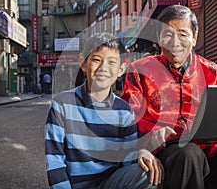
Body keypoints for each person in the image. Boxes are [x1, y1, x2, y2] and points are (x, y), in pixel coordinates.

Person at [120, 5, 217, 189]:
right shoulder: (140, 71)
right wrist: (149, 140)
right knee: (189, 152)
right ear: (158, 39)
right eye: (167, 34)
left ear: (194, 38)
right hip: (173, 155)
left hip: (216, 154)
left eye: (182, 34)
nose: (175, 42)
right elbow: (128, 119)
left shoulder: (212, 71)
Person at [45, 33, 163, 189]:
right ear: (83, 63)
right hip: (76, 186)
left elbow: (128, 157)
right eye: (96, 60)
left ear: (121, 69)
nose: (103, 68)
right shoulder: (62, 105)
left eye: (111, 62)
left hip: (111, 184)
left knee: (148, 171)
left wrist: (141, 154)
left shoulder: (124, 111)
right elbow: (54, 160)